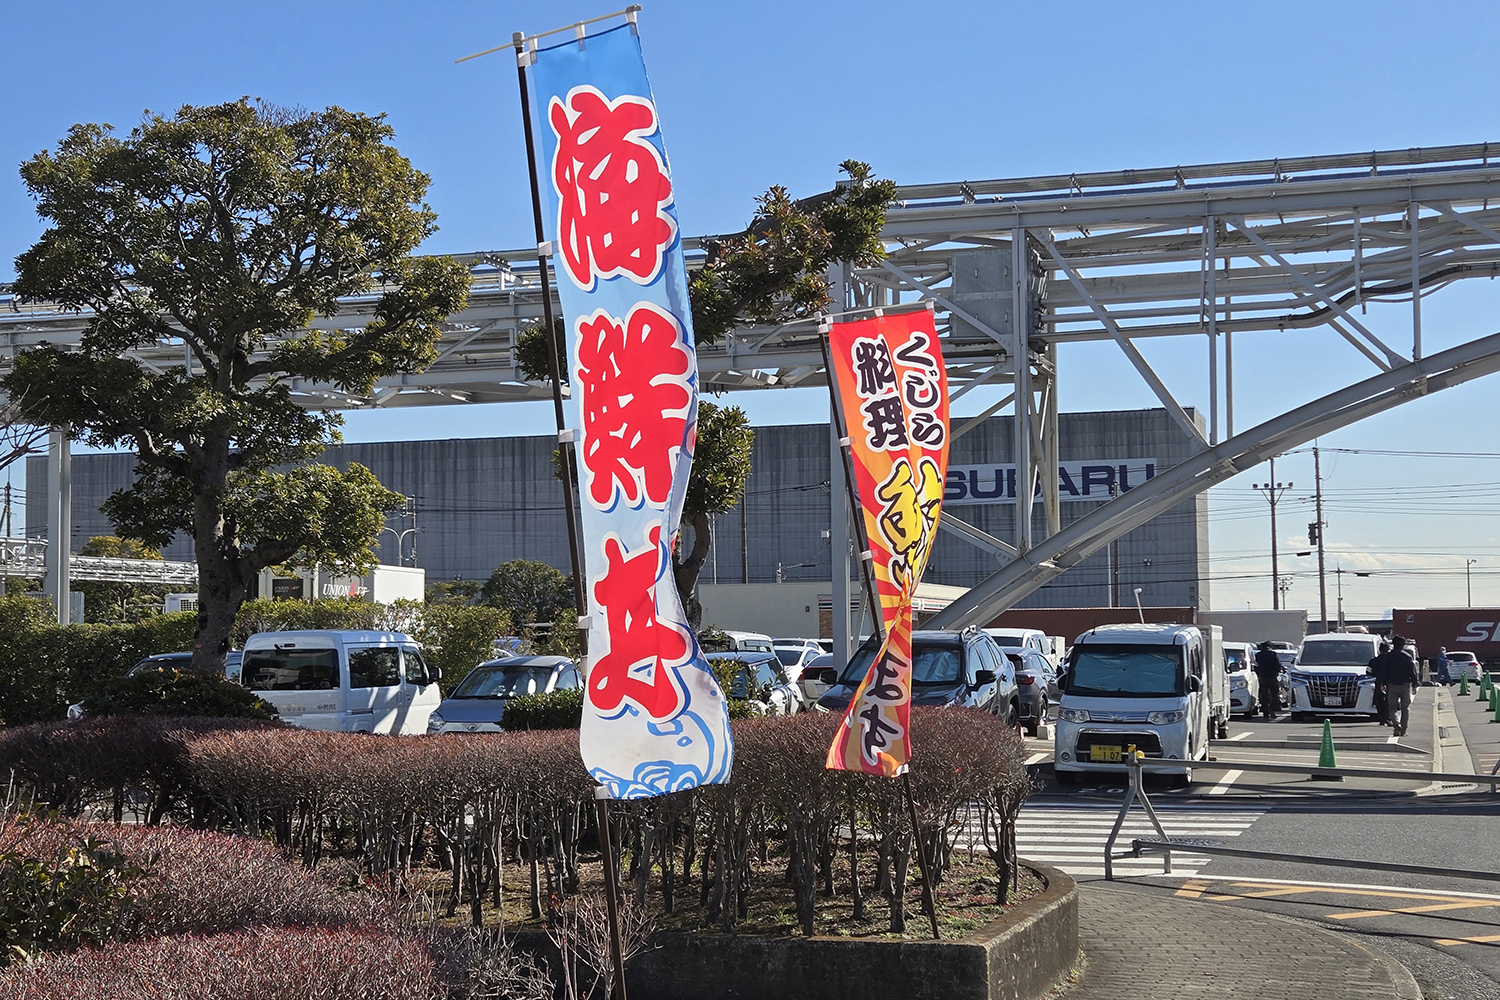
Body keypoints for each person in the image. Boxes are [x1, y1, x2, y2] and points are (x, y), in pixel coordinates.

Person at [1373, 636, 1421, 736]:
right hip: (1405, 685)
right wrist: (1415, 685)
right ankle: (1403, 729)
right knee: (1405, 708)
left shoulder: (1388, 657)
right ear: (1403, 645)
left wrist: (1382, 683)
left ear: (1393, 644)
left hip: (1392, 685)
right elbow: (1412, 672)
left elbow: (1385, 671)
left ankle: (1396, 724)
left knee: (1392, 707)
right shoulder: (1407, 657)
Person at [1253, 641, 1282, 720]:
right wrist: (1276, 673)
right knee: (1274, 694)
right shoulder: (1273, 654)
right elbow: (1278, 666)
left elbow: (1256, 666)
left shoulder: (1259, 655)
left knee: (1263, 696)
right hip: (1272, 677)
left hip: (1263, 678)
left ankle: (1265, 712)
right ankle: (1272, 710)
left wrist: (1259, 674)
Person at [1368, 638, 1391, 726]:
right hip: (1389, 682)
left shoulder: (1374, 661)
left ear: (1379, 650)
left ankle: (1381, 719)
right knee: (1389, 701)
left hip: (1378, 682)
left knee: (1379, 701)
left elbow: (1368, 671)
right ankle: (1388, 718)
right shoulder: (1390, 661)